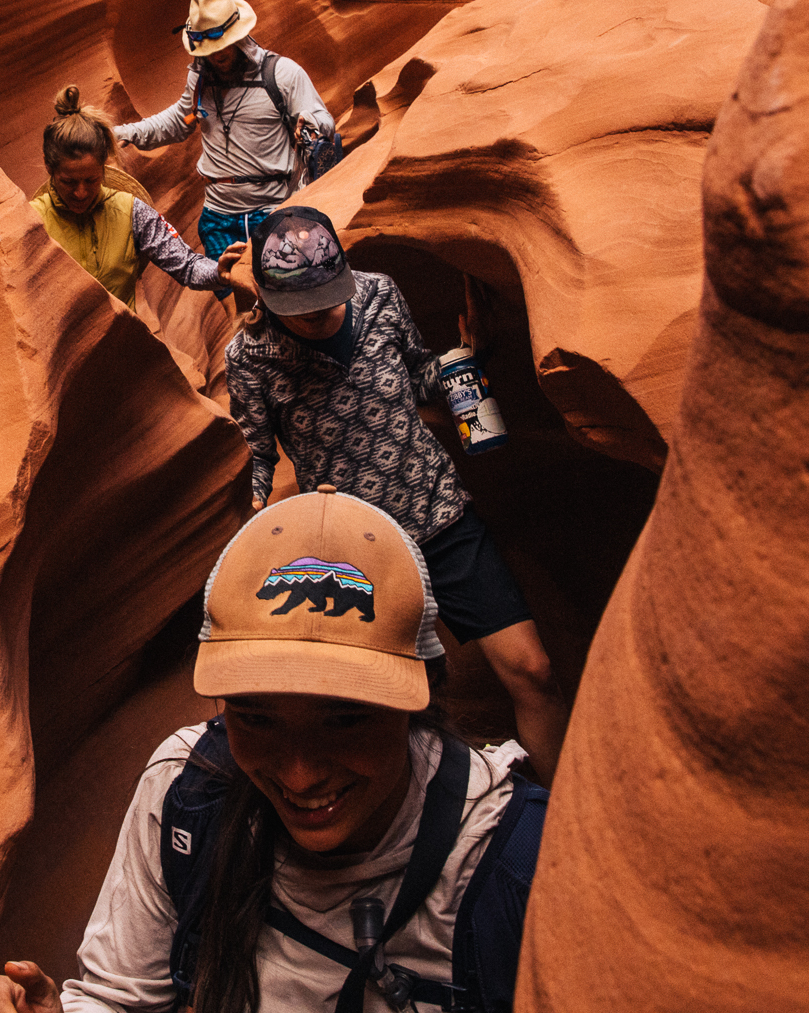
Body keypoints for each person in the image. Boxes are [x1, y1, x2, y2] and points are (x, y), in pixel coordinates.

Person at [0, 487, 547, 1013]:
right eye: (256, 719)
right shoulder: (188, 791)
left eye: (343, 721)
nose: (299, 774)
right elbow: (121, 999)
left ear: (416, 707)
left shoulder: (519, 868)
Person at [221, 207, 571, 780]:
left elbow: (417, 377)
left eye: (325, 298)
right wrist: (257, 516)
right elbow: (259, 454)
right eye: (299, 306)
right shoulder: (250, 358)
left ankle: (552, 824)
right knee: (406, 710)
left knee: (534, 672)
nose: (315, 315)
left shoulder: (379, 295)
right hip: (360, 550)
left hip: (440, 514)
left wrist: (466, 357)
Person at [114, 0, 335, 264]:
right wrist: (128, 132)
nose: (217, 55)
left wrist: (312, 124)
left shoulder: (282, 74)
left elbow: (324, 120)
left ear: (240, 35)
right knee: (231, 292)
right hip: (217, 217)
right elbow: (178, 120)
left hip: (273, 211)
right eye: (209, 49)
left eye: (223, 44)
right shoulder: (200, 80)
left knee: (280, 292)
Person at [32, 85, 243, 306]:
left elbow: (187, 266)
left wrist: (217, 272)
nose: (81, 192)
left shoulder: (131, 211)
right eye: (69, 182)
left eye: (91, 180)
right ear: (49, 168)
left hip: (122, 337)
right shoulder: (33, 220)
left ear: (104, 168)